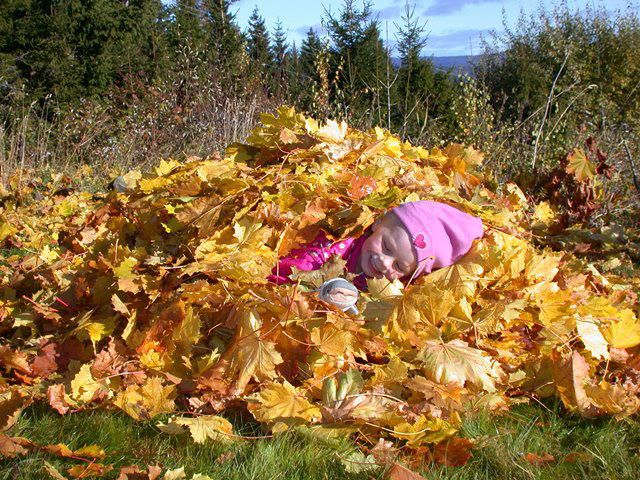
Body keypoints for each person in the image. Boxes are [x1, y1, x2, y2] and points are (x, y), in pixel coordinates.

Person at [268, 200, 484, 310]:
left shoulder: (391, 292)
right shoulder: (335, 247)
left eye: (399, 266)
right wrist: (317, 292)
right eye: (387, 246)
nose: (384, 262)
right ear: (379, 222)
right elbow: (289, 271)